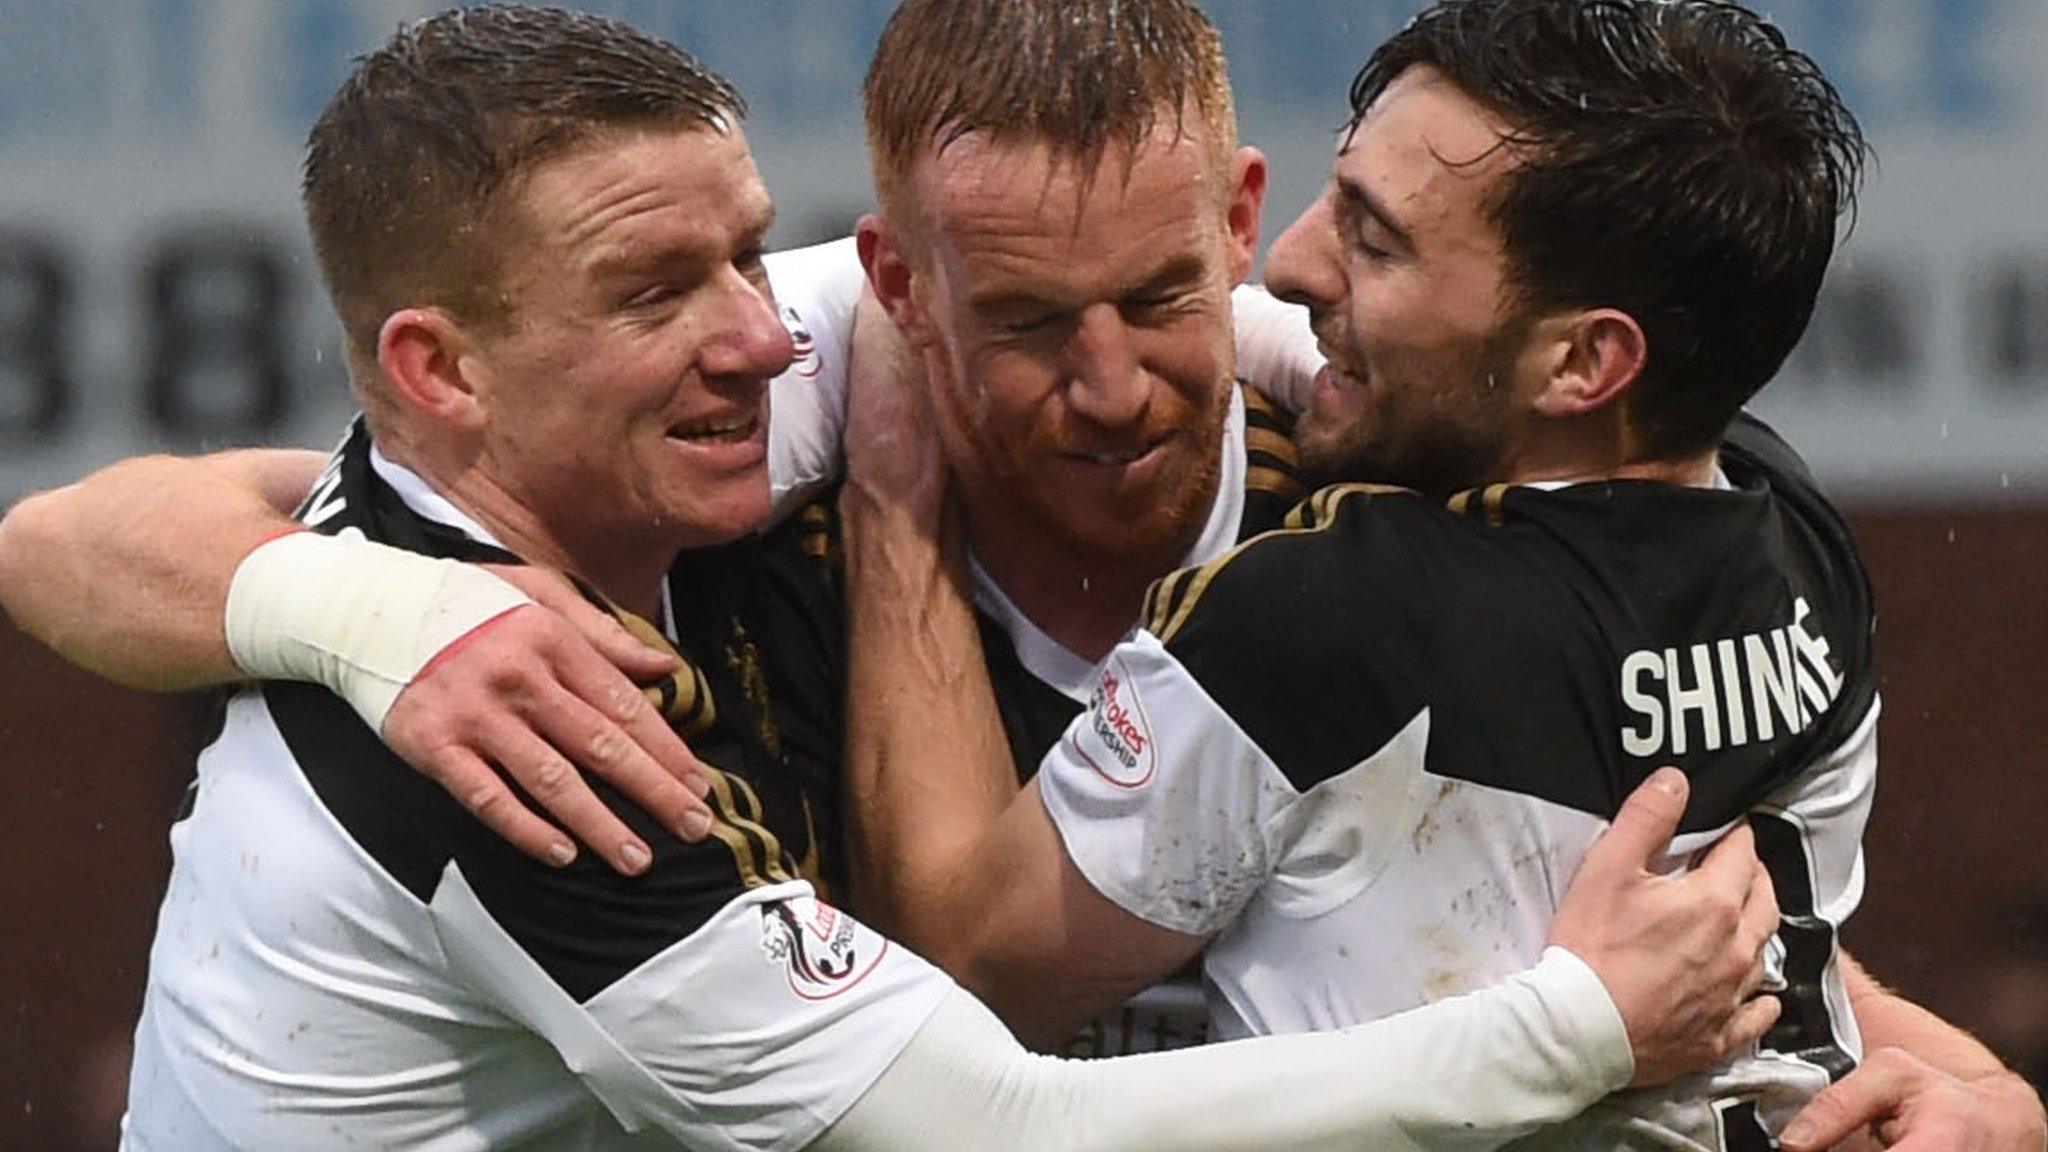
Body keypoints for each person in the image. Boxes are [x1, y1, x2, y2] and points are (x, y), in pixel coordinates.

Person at [0, 0, 2034, 1145]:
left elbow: (1670, 909)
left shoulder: (1374, 475)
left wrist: (1980, 1103)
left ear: (1237, 225)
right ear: (901, 284)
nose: (1106, 388)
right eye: (1024, 319)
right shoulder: (719, 455)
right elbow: (72, 538)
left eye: (1166, 292)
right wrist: (380, 614)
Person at [832, 0, 2048, 1147]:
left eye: (1376, 240)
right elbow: (1767, 952)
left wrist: (893, 513)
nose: (1295, 264)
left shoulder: (1324, 616)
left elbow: (969, 978)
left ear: (1580, 364)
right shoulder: (1785, 527)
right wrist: (1994, 1091)